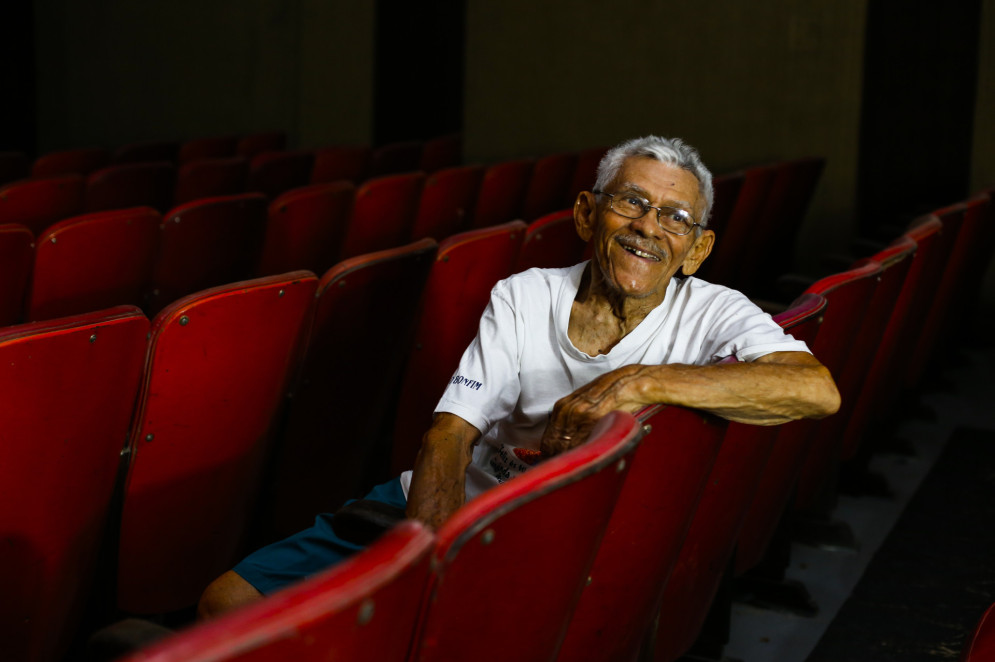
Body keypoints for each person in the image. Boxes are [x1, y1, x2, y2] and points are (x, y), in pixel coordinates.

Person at [198, 135, 840, 618]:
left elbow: (815, 390)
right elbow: (450, 434)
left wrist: (642, 381)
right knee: (226, 601)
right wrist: (429, 560)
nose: (649, 226)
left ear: (697, 249)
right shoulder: (525, 295)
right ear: (589, 214)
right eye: (632, 202)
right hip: (445, 501)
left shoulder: (715, 310)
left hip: (549, 538)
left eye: (676, 218)